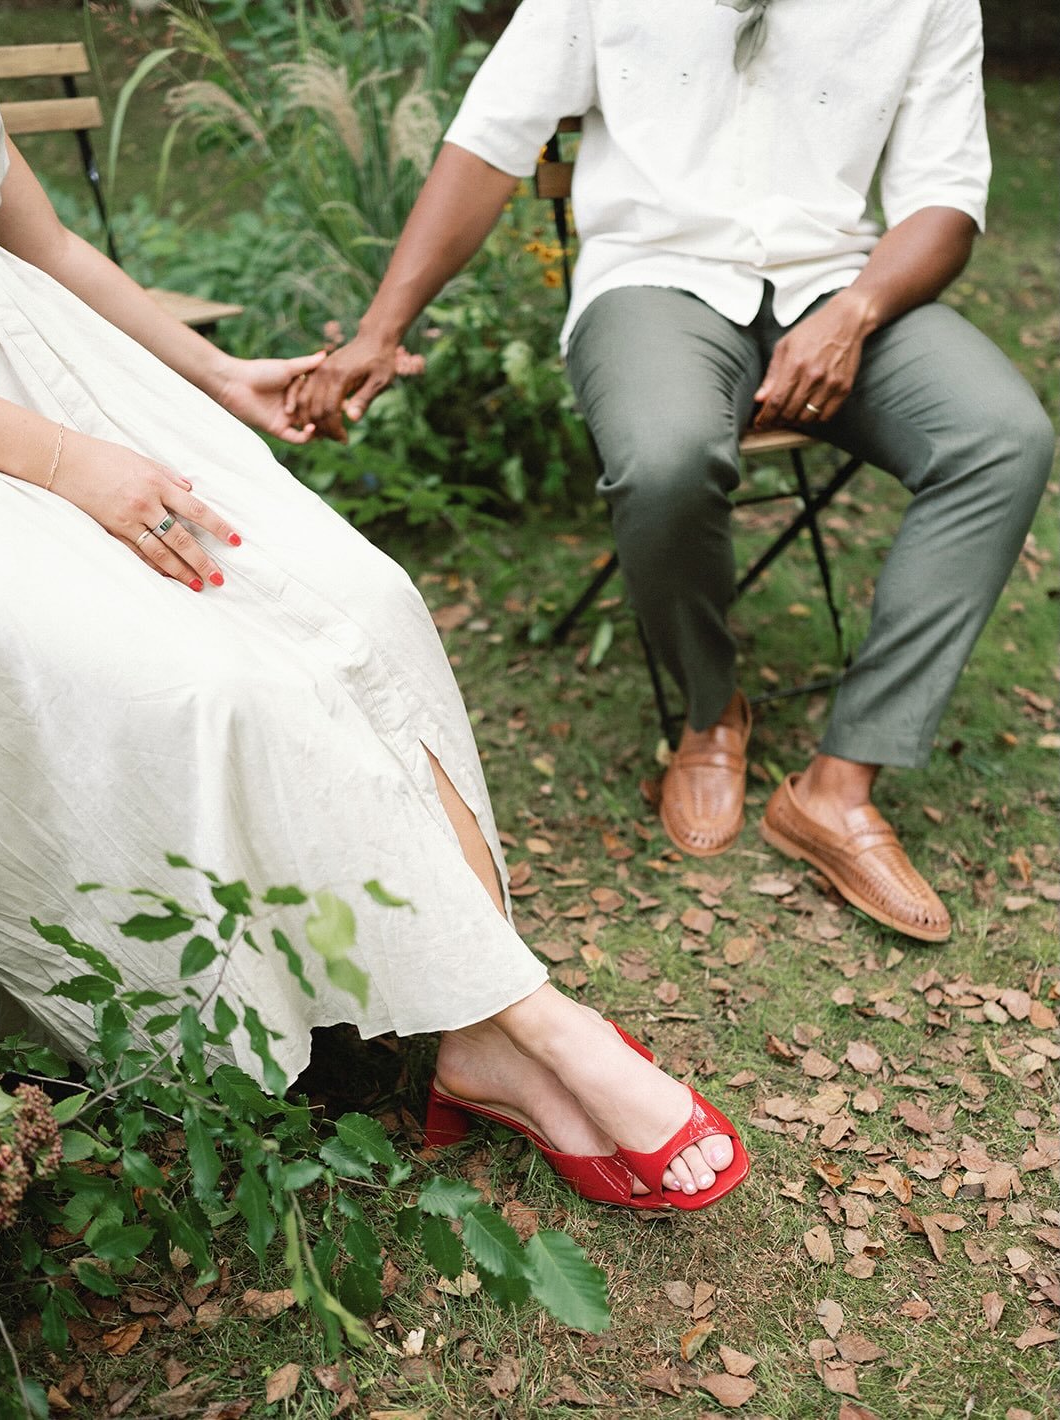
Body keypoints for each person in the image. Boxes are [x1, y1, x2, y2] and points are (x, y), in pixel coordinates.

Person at [0, 103, 748, 1212]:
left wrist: (215, 374)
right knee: (220, 685)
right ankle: (533, 1022)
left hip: (55, 383)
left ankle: (481, 1025)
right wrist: (68, 463)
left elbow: (42, 246)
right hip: (35, 457)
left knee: (365, 601)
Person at [294, 0, 1053, 945]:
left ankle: (839, 781)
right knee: (666, 459)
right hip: (651, 281)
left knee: (1001, 437)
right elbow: (492, 141)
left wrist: (854, 314)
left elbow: (946, 199)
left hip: (840, 284)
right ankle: (707, 709)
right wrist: (380, 330)